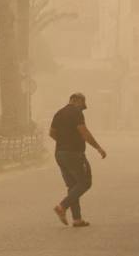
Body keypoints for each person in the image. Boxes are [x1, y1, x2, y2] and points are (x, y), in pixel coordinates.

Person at [49, 92, 106, 227]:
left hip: (60, 154)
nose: (83, 108)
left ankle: (77, 219)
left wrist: (63, 142)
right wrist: (98, 148)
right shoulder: (76, 113)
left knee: (73, 186)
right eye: (82, 104)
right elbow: (84, 132)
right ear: (75, 100)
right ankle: (62, 206)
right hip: (74, 154)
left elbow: (51, 133)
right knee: (85, 182)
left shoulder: (59, 113)